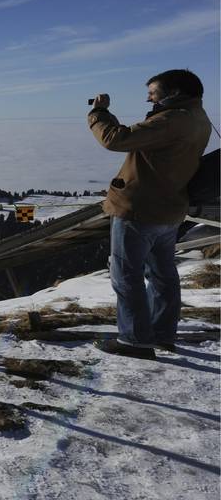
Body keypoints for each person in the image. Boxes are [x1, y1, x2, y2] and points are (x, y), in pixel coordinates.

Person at [87, 69, 212, 360]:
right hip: (169, 209)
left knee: (126, 275)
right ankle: (162, 334)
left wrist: (99, 112)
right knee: (162, 274)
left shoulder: (170, 120)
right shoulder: (197, 118)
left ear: (175, 94)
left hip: (140, 209)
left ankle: (134, 341)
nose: (148, 98)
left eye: (153, 93)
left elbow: (115, 139)